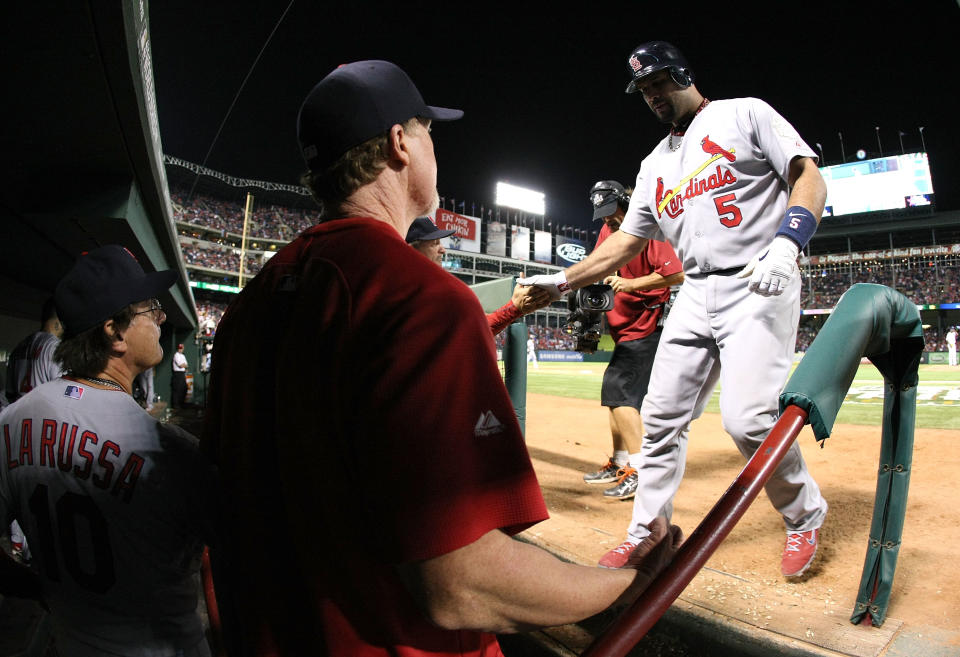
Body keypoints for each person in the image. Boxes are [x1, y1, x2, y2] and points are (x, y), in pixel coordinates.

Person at [201, 59, 681, 657]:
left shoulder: (252, 303)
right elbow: (460, 584)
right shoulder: (418, 297)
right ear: (400, 144)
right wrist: (626, 587)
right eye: (429, 130)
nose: (436, 146)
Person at [520, 41, 828, 578]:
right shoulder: (652, 164)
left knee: (750, 420)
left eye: (659, 82)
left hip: (757, 279)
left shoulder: (744, 113)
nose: (653, 96)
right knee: (661, 418)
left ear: (683, 72)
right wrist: (564, 278)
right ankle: (647, 531)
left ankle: (804, 516)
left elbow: (808, 175)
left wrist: (788, 242)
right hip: (694, 295)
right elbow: (625, 244)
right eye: (643, 90)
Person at [0, 244, 218, 656]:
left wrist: (41, 587)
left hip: (62, 639)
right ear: (114, 331)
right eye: (150, 308)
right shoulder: (171, 451)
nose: (162, 317)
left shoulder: (13, 420)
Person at [581, 180, 684, 501]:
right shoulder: (608, 232)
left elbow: (677, 273)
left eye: (613, 212)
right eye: (603, 215)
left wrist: (631, 283)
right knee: (617, 397)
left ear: (628, 203)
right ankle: (620, 462)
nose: (608, 220)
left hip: (647, 325)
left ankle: (642, 471)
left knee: (618, 392)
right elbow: (598, 267)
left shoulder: (649, 227)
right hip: (623, 328)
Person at [406, 216, 552, 335]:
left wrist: (514, 309)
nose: (443, 250)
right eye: (434, 243)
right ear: (410, 249)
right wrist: (513, 309)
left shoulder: (425, 289)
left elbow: (469, 332)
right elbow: (470, 334)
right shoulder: (409, 293)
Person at [4, 298, 66, 564]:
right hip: (42, 434)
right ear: (58, 320)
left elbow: (7, 394)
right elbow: (64, 398)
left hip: (16, 431)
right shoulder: (55, 348)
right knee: (42, 502)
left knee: (18, 494)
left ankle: (18, 545)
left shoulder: (19, 347)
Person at [171, 342, 188, 408]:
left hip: (182, 374)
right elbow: (180, 365)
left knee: (184, 388)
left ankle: (181, 403)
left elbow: (186, 365)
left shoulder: (183, 356)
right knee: (177, 389)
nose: (181, 349)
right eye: (179, 348)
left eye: (182, 348)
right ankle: (175, 405)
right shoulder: (176, 355)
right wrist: (184, 365)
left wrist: (184, 365)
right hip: (177, 374)